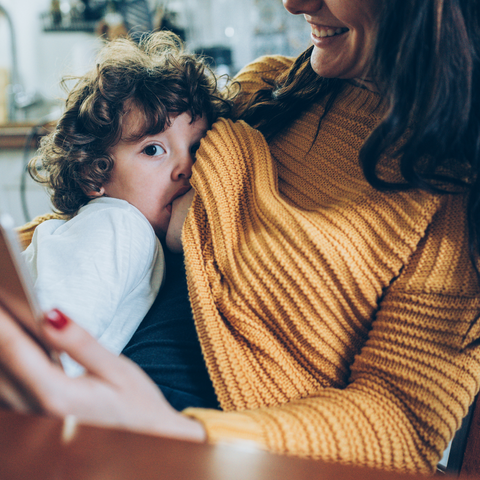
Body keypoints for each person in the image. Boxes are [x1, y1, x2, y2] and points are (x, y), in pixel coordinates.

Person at [1, 0, 480, 474]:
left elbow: (401, 425)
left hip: (190, 450)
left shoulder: (453, 193)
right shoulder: (268, 90)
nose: (293, 4)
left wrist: (180, 434)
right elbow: (106, 224)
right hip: (75, 412)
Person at [20, 31, 234, 377]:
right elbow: (43, 354)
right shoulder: (119, 226)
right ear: (95, 174)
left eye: (197, 148)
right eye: (153, 150)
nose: (187, 169)